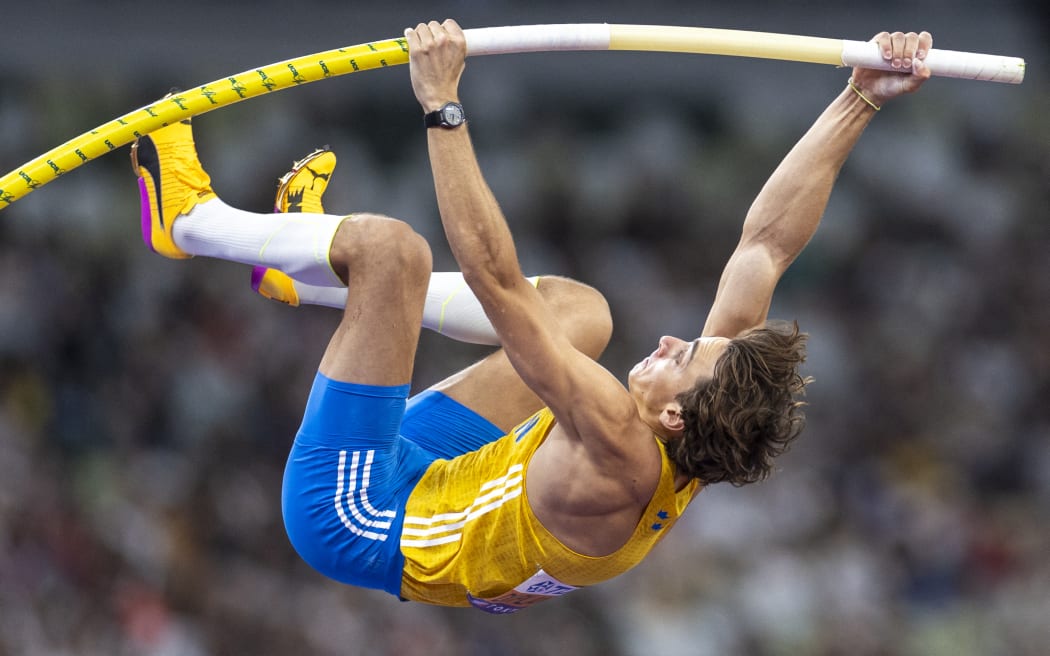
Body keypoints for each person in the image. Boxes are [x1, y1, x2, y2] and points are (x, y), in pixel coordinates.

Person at [130, 21, 932, 613]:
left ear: (676, 415)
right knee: (581, 313)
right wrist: (860, 99)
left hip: (361, 514)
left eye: (679, 355)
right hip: (460, 478)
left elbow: (492, 277)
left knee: (393, 254)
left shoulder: (620, 447)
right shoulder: (685, 418)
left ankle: (190, 222)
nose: (668, 340)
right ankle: (300, 273)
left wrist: (441, 103)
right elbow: (765, 247)